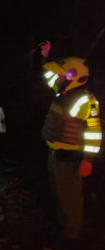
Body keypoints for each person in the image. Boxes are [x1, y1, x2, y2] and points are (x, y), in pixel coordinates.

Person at [39, 41, 102, 245]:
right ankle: (63, 230)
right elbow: (48, 75)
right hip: (55, 155)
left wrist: (88, 160)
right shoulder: (63, 91)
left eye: (62, 75)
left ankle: (71, 238)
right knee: (58, 196)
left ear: (73, 78)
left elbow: (94, 133)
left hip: (70, 159)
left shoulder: (85, 101)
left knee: (70, 200)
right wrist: (46, 57)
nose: (56, 77)